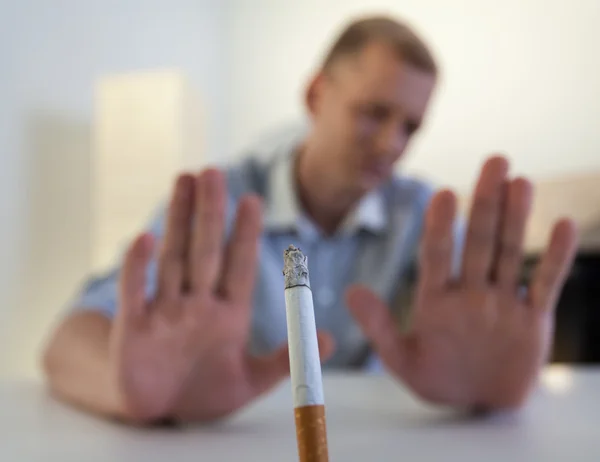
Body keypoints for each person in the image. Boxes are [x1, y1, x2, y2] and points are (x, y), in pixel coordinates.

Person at [41, 14, 578, 425]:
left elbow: (486, 341)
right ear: (316, 94)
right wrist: (129, 390)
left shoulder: (423, 218)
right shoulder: (220, 204)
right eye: (374, 112)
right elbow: (67, 341)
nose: (392, 143)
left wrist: (489, 390)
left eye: (410, 126)